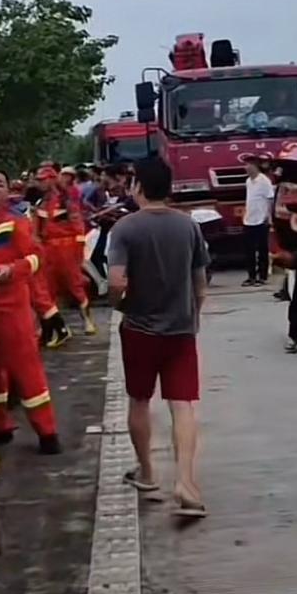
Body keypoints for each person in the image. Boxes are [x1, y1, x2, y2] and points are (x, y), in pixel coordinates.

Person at [108, 158, 208, 518]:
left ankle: (148, 475)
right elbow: (201, 284)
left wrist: (117, 303)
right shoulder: (188, 226)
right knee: (182, 404)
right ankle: (185, 482)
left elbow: (117, 281)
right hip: (181, 330)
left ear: (137, 187)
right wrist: (192, 316)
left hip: (139, 330)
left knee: (139, 400)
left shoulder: (124, 228)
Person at [0, 169, 61, 455]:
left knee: (26, 371)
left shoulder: (15, 223)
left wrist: (13, 270)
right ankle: (0, 427)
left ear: (8, 191)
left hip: (11, 307)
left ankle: (47, 433)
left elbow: (36, 257)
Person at [36, 165, 96, 336]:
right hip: (48, 250)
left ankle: (87, 320)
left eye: (43, 179)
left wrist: (78, 252)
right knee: (49, 289)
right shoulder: (42, 203)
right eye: (38, 180)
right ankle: (57, 327)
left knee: (75, 285)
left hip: (66, 248)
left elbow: (78, 227)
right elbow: (38, 231)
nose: (39, 183)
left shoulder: (66, 200)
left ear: (52, 179)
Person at [241, 155, 274, 286]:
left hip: (261, 219)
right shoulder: (248, 181)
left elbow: (270, 199)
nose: (246, 168)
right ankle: (251, 276)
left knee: (262, 249)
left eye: (248, 165)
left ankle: (262, 276)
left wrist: (268, 216)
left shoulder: (264, 181)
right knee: (249, 250)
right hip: (249, 219)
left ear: (255, 166)